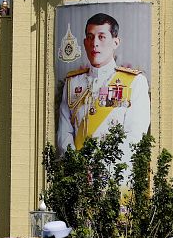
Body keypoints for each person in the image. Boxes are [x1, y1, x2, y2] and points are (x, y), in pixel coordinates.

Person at [57, 12, 150, 167]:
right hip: (78, 176)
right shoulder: (72, 83)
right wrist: (76, 164)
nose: (95, 44)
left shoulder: (134, 82)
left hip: (117, 176)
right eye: (90, 37)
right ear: (85, 42)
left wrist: (100, 166)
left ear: (116, 42)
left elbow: (135, 135)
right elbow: (64, 133)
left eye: (101, 37)